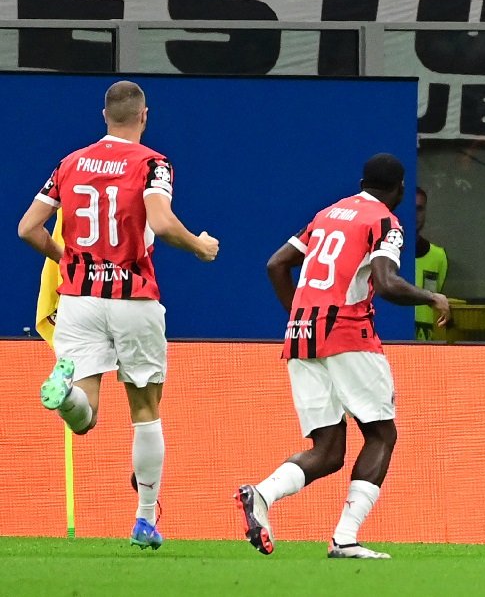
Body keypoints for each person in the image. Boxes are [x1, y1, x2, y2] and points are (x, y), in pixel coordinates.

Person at [16, 80, 220, 550]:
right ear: (144, 116)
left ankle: (66, 395)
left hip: (78, 300)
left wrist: (68, 259)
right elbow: (162, 223)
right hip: (133, 298)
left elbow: (28, 228)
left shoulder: (70, 163)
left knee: (85, 418)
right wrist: (199, 246)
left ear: (104, 115)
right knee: (145, 411)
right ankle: (145, 520)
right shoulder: (152, 164)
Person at [236, 154, 450, 560]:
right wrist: (431, 296)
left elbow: (277, 264)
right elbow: (386, 283)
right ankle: (345, 537)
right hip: (349, 333)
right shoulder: (385, 222)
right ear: (400, 189)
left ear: (363, 182)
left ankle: (261, 494)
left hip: (302, 336)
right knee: (381, 434)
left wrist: (302, 315)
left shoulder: (327, 214)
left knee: (329, 451)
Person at [414, 187, 448, 340]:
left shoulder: (438, 256)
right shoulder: (385, 254)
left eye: (419, 209)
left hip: (427, 340)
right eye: (411, 208)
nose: (415, 214)